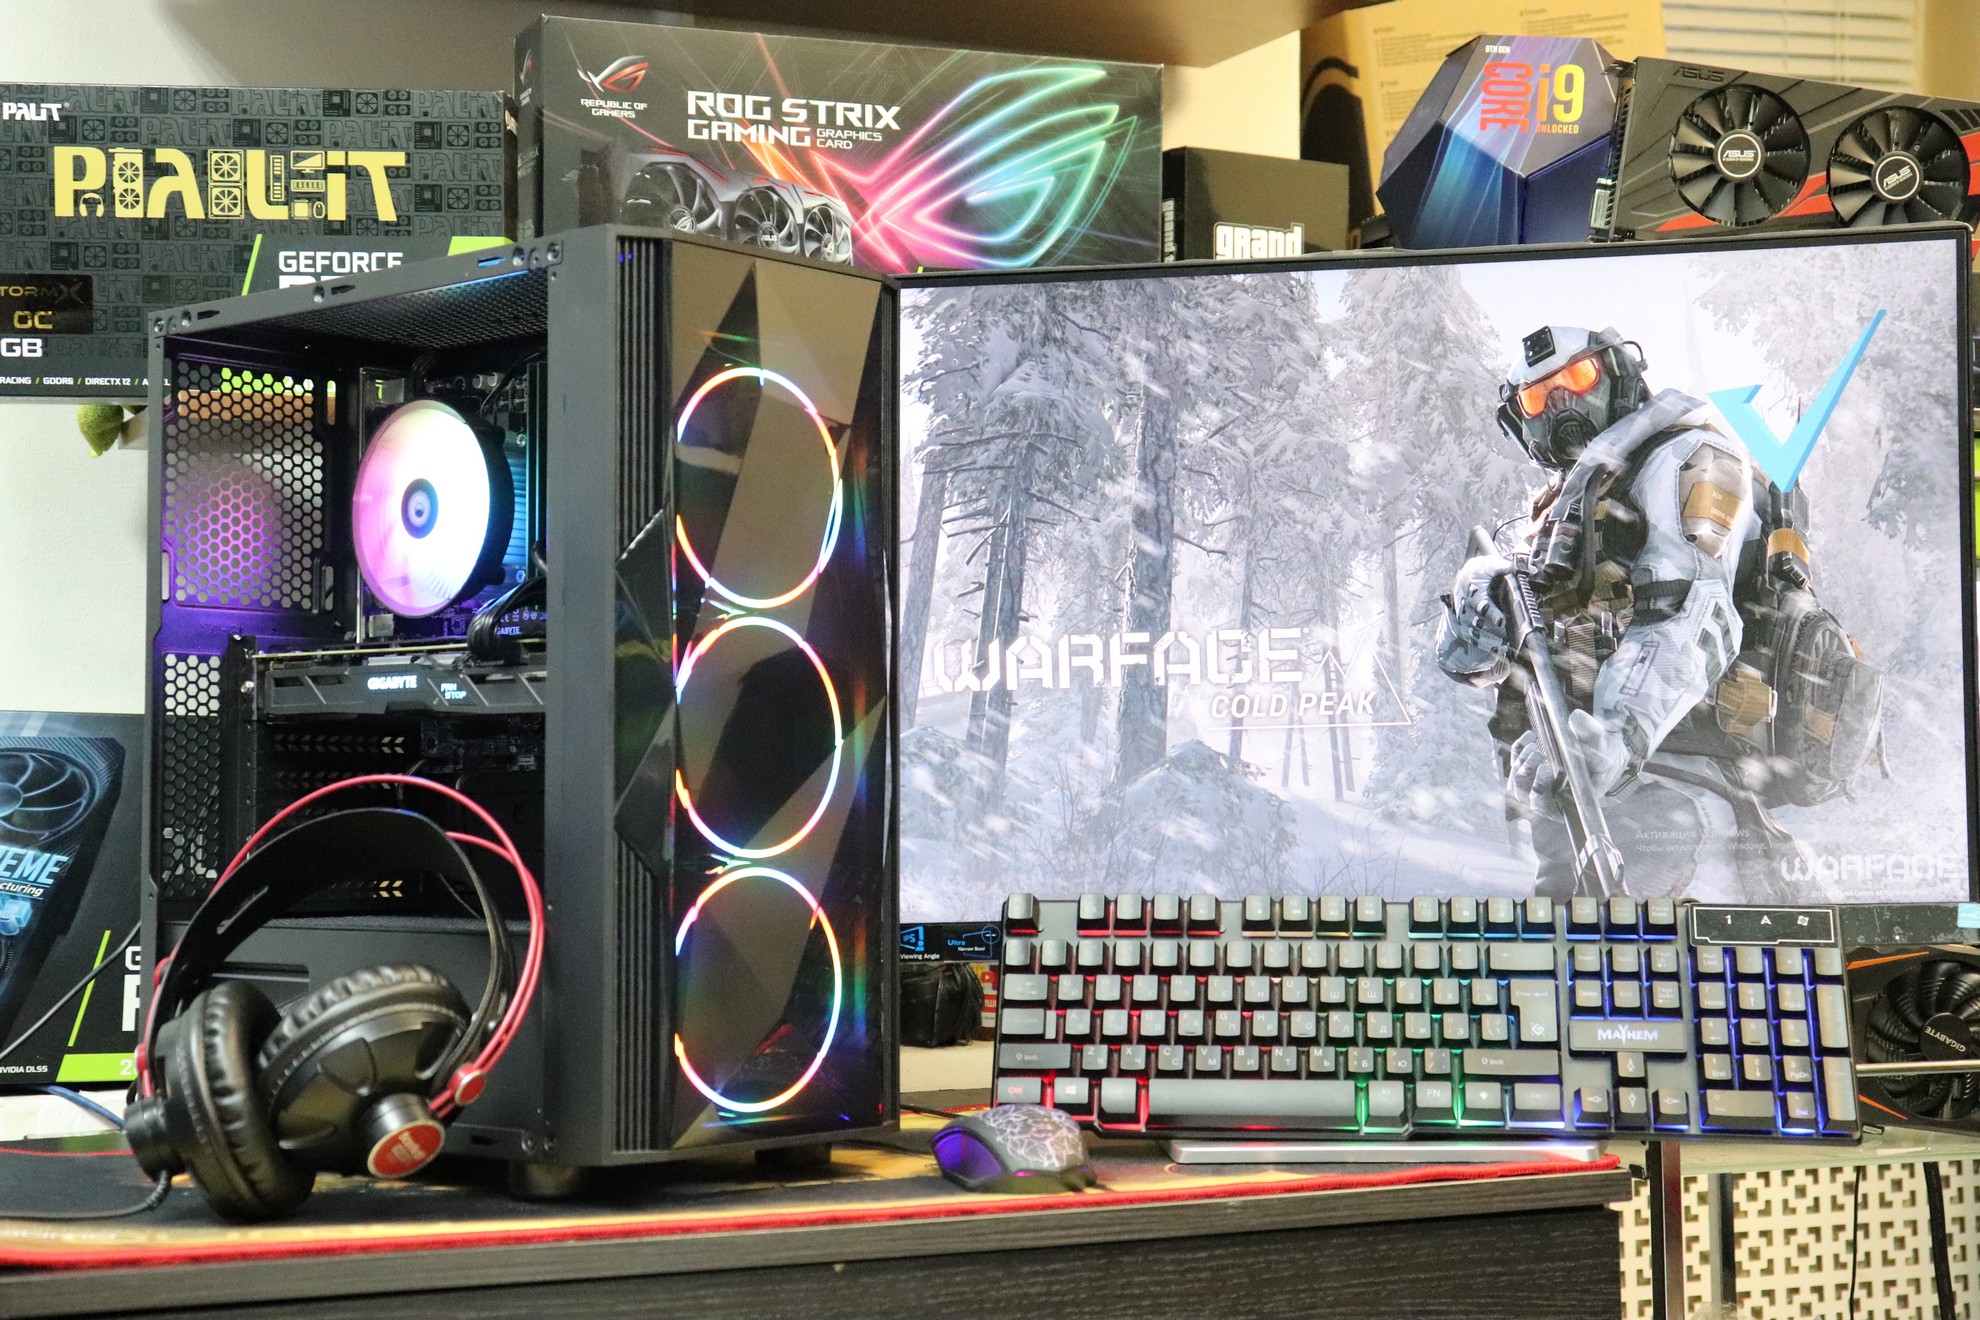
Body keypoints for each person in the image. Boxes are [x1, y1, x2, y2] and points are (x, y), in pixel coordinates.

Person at [1436, 325, 1835, 900]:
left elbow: (1695, 613)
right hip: (1595, 791)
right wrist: (1481, 602)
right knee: (1572, 945)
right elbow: (1488, 661)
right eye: (1538, 398)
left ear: (1618, 372)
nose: (1561, 405)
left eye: (1578, 378)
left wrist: (1618, 733)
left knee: (1667, 943)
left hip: (1683, 779)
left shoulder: (1686, 457)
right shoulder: (1570, 507)